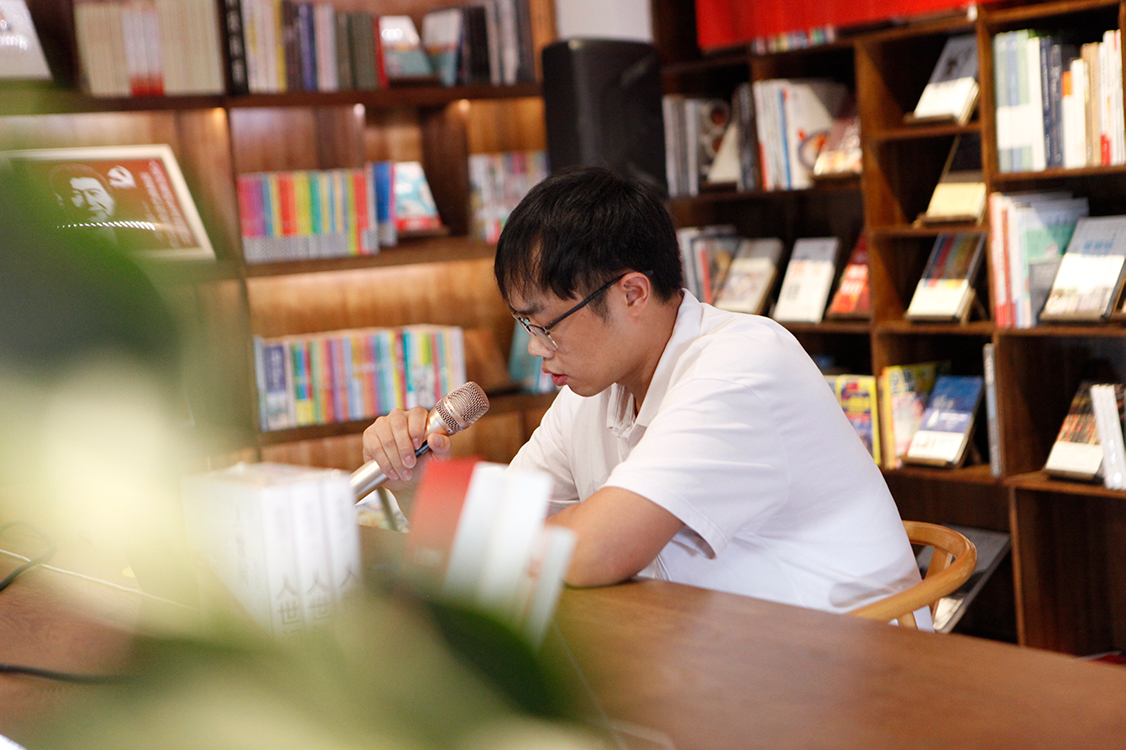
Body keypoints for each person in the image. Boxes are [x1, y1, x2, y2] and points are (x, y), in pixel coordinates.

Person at [363, 166, 924, 618]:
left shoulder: (740, 366)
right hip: (722, 658)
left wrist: (481, 542)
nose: (535, 348)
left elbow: (592, 552)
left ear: (632, 293)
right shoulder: (592, 391)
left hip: (850, 673)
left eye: (545, 324)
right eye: (524, 325)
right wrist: (419, 484)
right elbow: (512, 519)